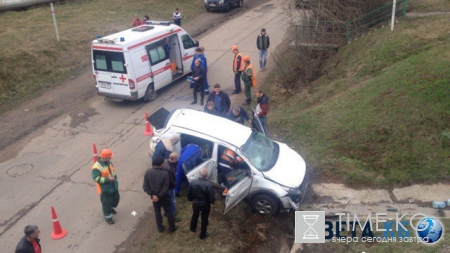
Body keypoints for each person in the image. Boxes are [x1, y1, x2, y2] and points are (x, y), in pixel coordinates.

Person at [143, 157, 177, 233]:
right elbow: (165, 188)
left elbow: (145, 186)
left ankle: (160, 228)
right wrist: (158, 196)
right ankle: (172, 227)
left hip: (154, 197)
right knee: (168, 211)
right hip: (163, 196)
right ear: (161, 164)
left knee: (157, 211)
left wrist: (153, 195)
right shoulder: (165, 174)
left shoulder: (148, 172)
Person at [92, 148, 120, 225]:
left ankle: (110, 208)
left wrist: (115, 179)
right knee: (106, 203)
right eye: (109, 157)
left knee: (115, 198)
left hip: (113, 185)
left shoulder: (109, 162)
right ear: (104, 157)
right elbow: (96, 179)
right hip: (105, 189)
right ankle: (108, 218)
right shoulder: (96, 167)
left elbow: (112, 171)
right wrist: (107, 179)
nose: (110, 158)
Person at [187, 167, 216, 240]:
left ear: (199, 174)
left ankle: (192, 228)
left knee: (195, 215)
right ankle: (202, 234)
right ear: (206, 175)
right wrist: (211, 202)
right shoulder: (208, 185)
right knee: (204, 219)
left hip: (196, 204)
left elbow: (189, 194)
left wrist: (191, 199)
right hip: (205, 205)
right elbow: (212, 198)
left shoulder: (193, 182)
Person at [163, 152, 181, 222]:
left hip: (164, 187)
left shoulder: (165, 162)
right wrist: (175, 184)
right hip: (169, 188)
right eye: (177, 159)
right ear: (174, 159)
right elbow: (171, 180)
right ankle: (172, 215)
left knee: (166, 201)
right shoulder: (169, 169)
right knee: (172, 201)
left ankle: (166, 212)